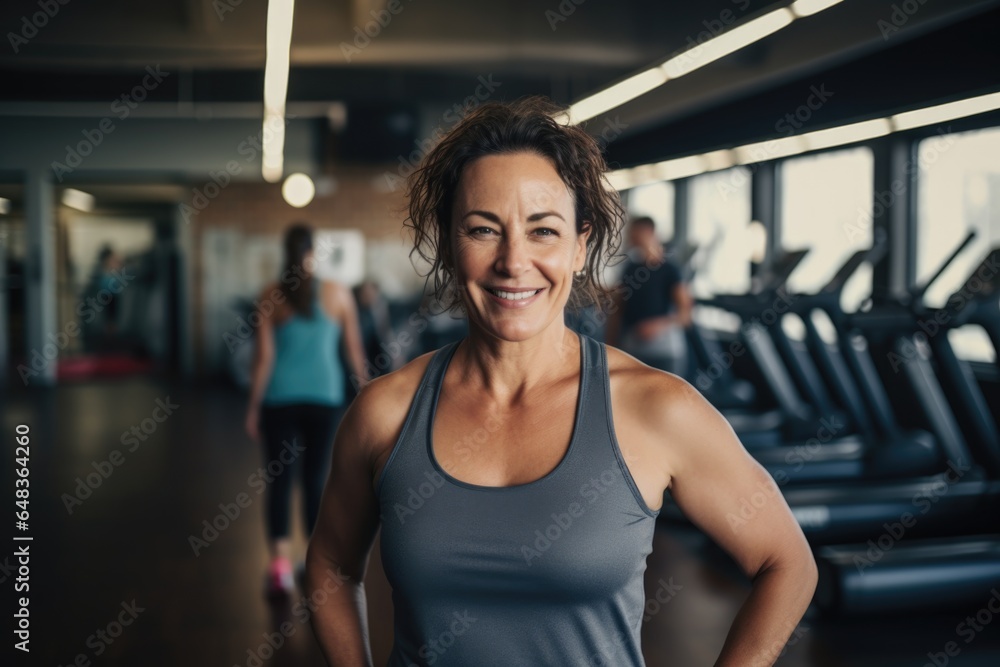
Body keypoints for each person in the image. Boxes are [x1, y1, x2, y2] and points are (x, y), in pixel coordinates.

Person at [306, 98, 817, 666]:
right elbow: (330, 565)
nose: (514, 261)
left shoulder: (656, 408)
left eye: (543, 231)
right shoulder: (385, 412)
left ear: (579, 246)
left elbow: (787, 564)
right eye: (482, 229)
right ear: (450, 245)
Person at [244, 223, 369, 595]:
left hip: (278, 400)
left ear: (286, 253)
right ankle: (313, 562)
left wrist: (252, 405)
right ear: (313, 252)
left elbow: (264, 358)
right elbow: (354, 352)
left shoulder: (269, 295)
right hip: (324, 400)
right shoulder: (338, 293)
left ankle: (279, 567)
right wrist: (366, 399)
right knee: (316, 481)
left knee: (279, 482)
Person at [606, 216, 694, 378]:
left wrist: (657, 326)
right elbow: (617, 311)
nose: (629, 237)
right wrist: (609, 346)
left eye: (633, 232)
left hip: (664, 350)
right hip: (632, 349)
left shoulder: (670, 269)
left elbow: (685, 315)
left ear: (647, 232)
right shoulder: (630, 269)